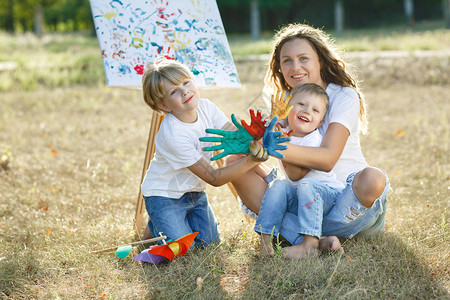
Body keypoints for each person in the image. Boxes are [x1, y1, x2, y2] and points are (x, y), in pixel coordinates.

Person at [225, 23, 390, 255]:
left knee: (373, 178)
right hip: (300, 201)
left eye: (304, 58)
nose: (295, 67)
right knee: (234, 162)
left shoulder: (343, 95)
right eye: (287, 61)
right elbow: (288, 169)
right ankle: (316, 240)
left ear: (320, 60)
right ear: (279, 67)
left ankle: (300, 233)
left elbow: (328, 159)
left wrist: (273, 144)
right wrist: (251, 145)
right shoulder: (282, 102)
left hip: (343, 202)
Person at [140, 58, 274, 247]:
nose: (185, 91)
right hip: (164, 195)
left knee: (209, 243)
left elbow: (233, 136)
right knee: (184, 249)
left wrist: (256, 135)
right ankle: (158, 218)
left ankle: (161, 222)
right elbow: (213, 177)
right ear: (164, 106)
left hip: (194, 193)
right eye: (174, 91)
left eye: (186, 82)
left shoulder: (206, 107)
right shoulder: (173, 134)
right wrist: (252, 160)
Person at [254, 83, 346, 257]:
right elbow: (262, 135)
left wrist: (279, 142)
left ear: (321, 122)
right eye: (301, 104)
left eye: (315, 110)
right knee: (278, 185)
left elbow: (296, 175)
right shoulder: (284, 131)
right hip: (303, 203)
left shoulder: (313, 139)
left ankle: (308, 246)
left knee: (306, 184)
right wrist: (272, 123)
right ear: (287, 108)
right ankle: (266, 241)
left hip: (327, 199)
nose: (307, 111)